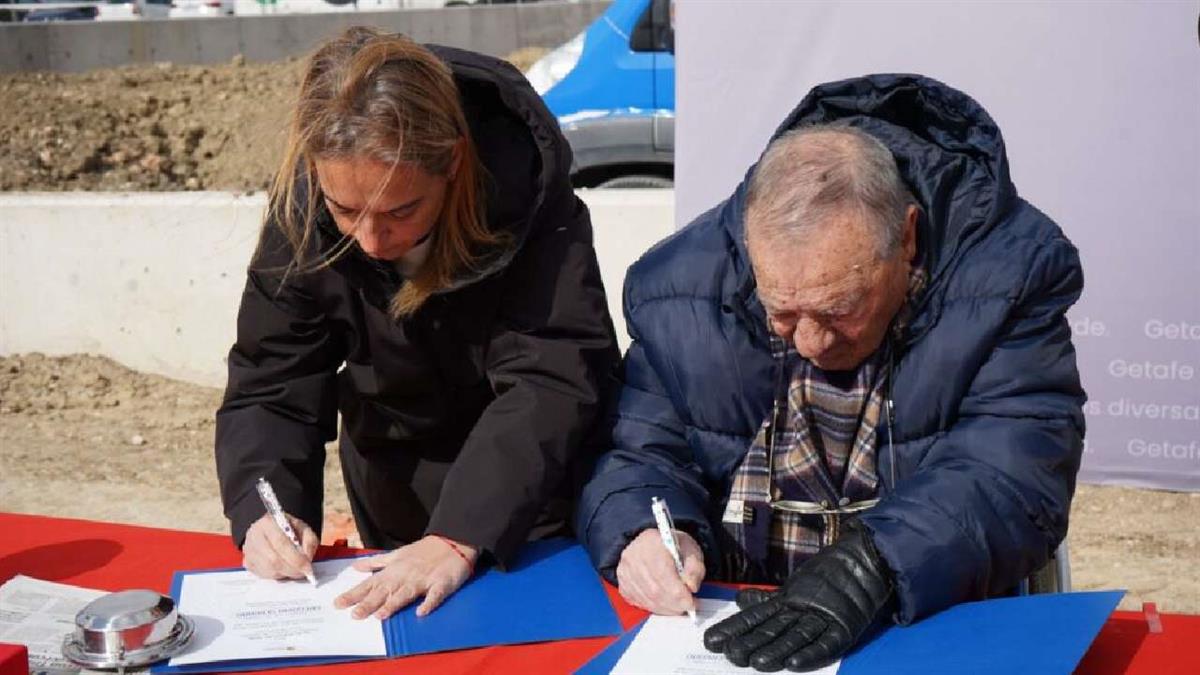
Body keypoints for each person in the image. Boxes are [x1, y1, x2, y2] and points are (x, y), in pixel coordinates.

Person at [577, 74, 1085, 672]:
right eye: (782, 313)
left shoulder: (1008, 273)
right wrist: (644, 529)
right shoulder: (679, 286)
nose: (814, 342)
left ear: (907, 238)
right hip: (739, 610)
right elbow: (641, 455)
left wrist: (874, 565)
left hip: (926, 610)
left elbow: (1015, 469)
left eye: (841, 308)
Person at [216, 27, 618, 621]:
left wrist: (462, 532)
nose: (372, 241)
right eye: (346, 211)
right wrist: (264, 505)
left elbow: (553, 374)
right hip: (392, 472)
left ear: (453, 161)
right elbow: (273, 375)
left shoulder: (527, 195)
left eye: (401, 210)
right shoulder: (303, 208)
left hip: (528, 483)